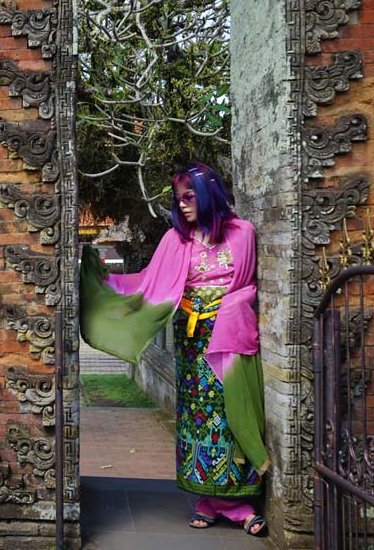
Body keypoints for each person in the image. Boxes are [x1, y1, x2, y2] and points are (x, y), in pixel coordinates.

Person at [80, 162, 269, 537]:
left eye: (189, 197)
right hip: (192, 342)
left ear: (209, 194)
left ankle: (237, 503)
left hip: (231, 339)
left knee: (231, 413)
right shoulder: (175, 240)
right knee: (197, 416)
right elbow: (147, 285)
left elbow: (248, 285)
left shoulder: (243, 234)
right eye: (178, 199)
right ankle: (206, 499)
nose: (182, 205)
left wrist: (229, 309)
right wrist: (100, 280)